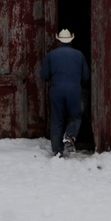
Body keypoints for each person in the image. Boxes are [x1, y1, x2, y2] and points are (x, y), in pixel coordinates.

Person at [40, 28, 90, 156]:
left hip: (57, 90)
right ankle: (69, 136)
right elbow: (85, 77)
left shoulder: (51, 55)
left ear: (58, 40)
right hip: (74, 90)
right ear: (71, 40)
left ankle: (57, 151)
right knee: (75, 116)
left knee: (57, 120)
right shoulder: (79, 55)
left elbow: (44, 75)